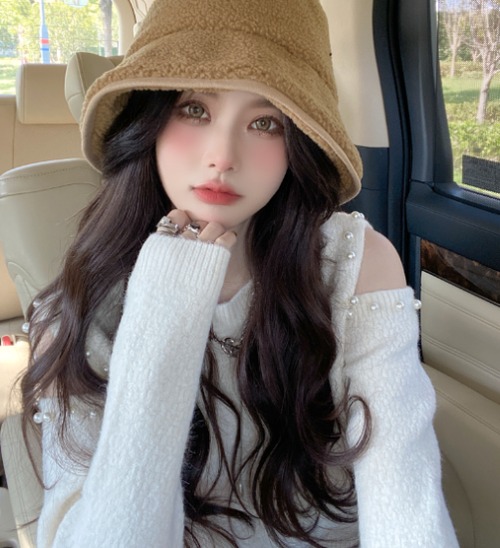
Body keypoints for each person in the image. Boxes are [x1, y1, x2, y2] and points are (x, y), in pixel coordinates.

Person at [17, 0, 458, 546]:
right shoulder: (80, 307)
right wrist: (164, 312)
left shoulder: (354, 263)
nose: (223, 156)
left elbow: (406, 501)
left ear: (298, 142)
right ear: (150, 118)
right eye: (194, 109)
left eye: (265, 122)